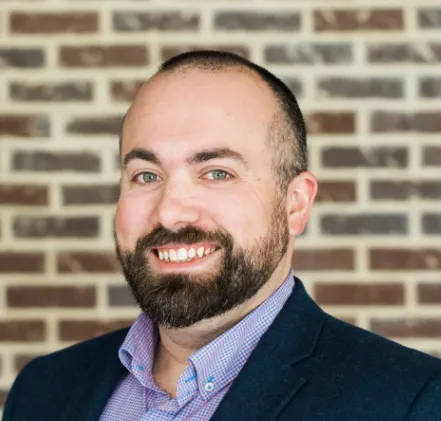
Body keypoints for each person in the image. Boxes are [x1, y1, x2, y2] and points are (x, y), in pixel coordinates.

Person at [3, 50, 441, 421]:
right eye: (146, 174)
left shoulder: (411, 401)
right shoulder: (42, 392)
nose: (171, 211)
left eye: (217, 172)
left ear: (295, 204)